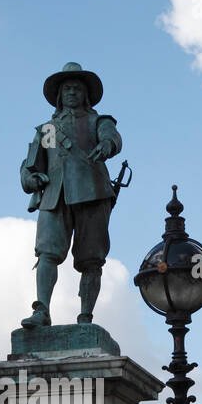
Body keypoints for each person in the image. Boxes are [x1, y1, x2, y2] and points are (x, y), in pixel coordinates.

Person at [20, 62, 122, 327]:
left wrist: (107, 145)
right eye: (67, 89)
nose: (72, 92)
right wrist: (32, 178)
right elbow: (30, 166)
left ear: (85, 94)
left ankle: (86, 316)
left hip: (92, 194)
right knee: (47, 253)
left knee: (91, 258)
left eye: (77, 88)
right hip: (55, 196)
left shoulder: (98, 121)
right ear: (59, 95)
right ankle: (41, 310)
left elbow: (112, 138)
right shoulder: (50, 130)